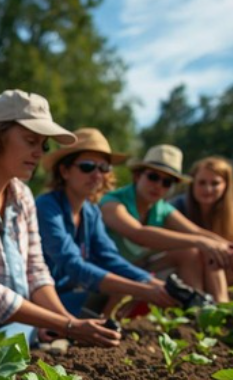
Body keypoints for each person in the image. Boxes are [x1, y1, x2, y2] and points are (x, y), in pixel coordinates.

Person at [0, 90, 120, 348]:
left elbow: (36, 272)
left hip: (18, 326)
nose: (39, 153)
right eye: (30, 140)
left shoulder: (23, 196)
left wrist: (66, 322)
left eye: (43, 145)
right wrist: (67, 325)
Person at [36, 128, 177, 316]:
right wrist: (143, 290)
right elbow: (72, 265)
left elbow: (109, 258)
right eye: (87, 166)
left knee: (118, 291)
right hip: (41, 300)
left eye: (104, 168)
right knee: (117, 291)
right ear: (64, 171)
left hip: (70, 295)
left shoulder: (91, 211)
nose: (97, 175)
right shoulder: (46, 207)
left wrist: (156, 285)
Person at [100, 144, 233, 303]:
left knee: (192, 253)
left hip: (135, 270)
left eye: (167, 182)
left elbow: (197, 232)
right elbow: (139, 234)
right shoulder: (113, 203)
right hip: (103, 274)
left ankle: (207, 308)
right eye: (153, 177)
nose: (158, 185)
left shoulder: (162, 208)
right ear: (138, 176)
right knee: (196, 248)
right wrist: (202, 242)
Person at [170, 156, 233, 243]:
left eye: (215, 183)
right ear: (192, 184)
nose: (208, 189)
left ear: (226, 186)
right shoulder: (175, 207)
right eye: (202, 183)